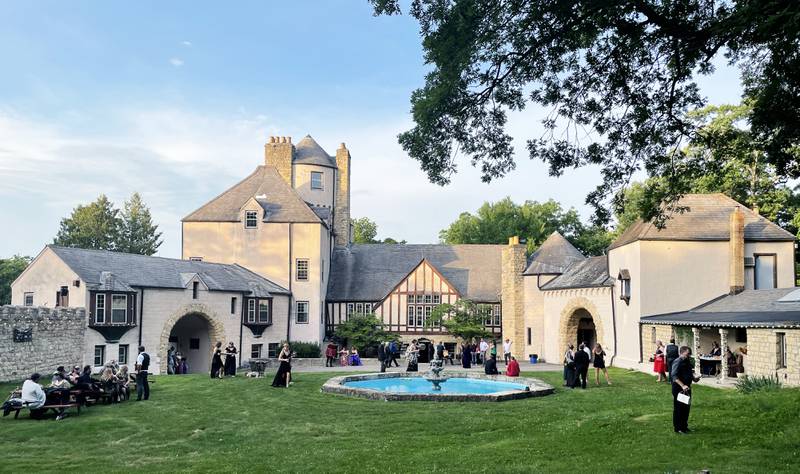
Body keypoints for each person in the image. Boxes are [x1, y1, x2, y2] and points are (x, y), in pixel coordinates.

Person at [671, 346, 700, 434]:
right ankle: (678, 428)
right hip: (679, 388)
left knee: (686, 408)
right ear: (681, 353)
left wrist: (695, 379)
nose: (689, 356)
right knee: (679, 408)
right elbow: (674, 376)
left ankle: (684, 427)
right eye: (687, 354)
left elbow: (689, 373)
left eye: (689, 354)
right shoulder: (677, 361)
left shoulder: (687, 361)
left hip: (687, 387)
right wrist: (683, 385)